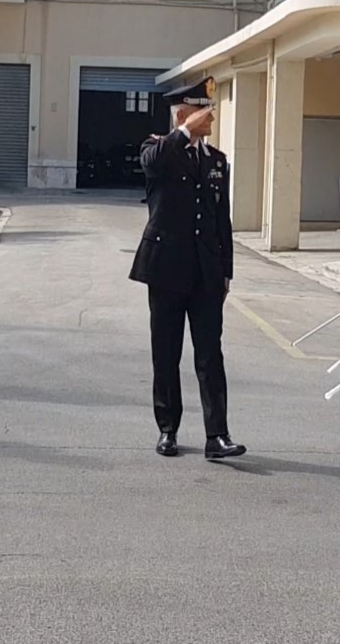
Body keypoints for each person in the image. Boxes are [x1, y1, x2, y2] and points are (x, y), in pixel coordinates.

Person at [130, 78, 244, 460]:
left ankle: (218, 435)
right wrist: (183, 133)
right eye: (203, 111)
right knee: (166, 353)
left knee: (210, 354)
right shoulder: (159, 148)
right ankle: (168, 429)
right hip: (165, 269)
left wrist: (226, 269)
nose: (211, 117)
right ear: (184, 113)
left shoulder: (216, 161)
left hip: (206, 272)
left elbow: (220, 220)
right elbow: (152, 164)